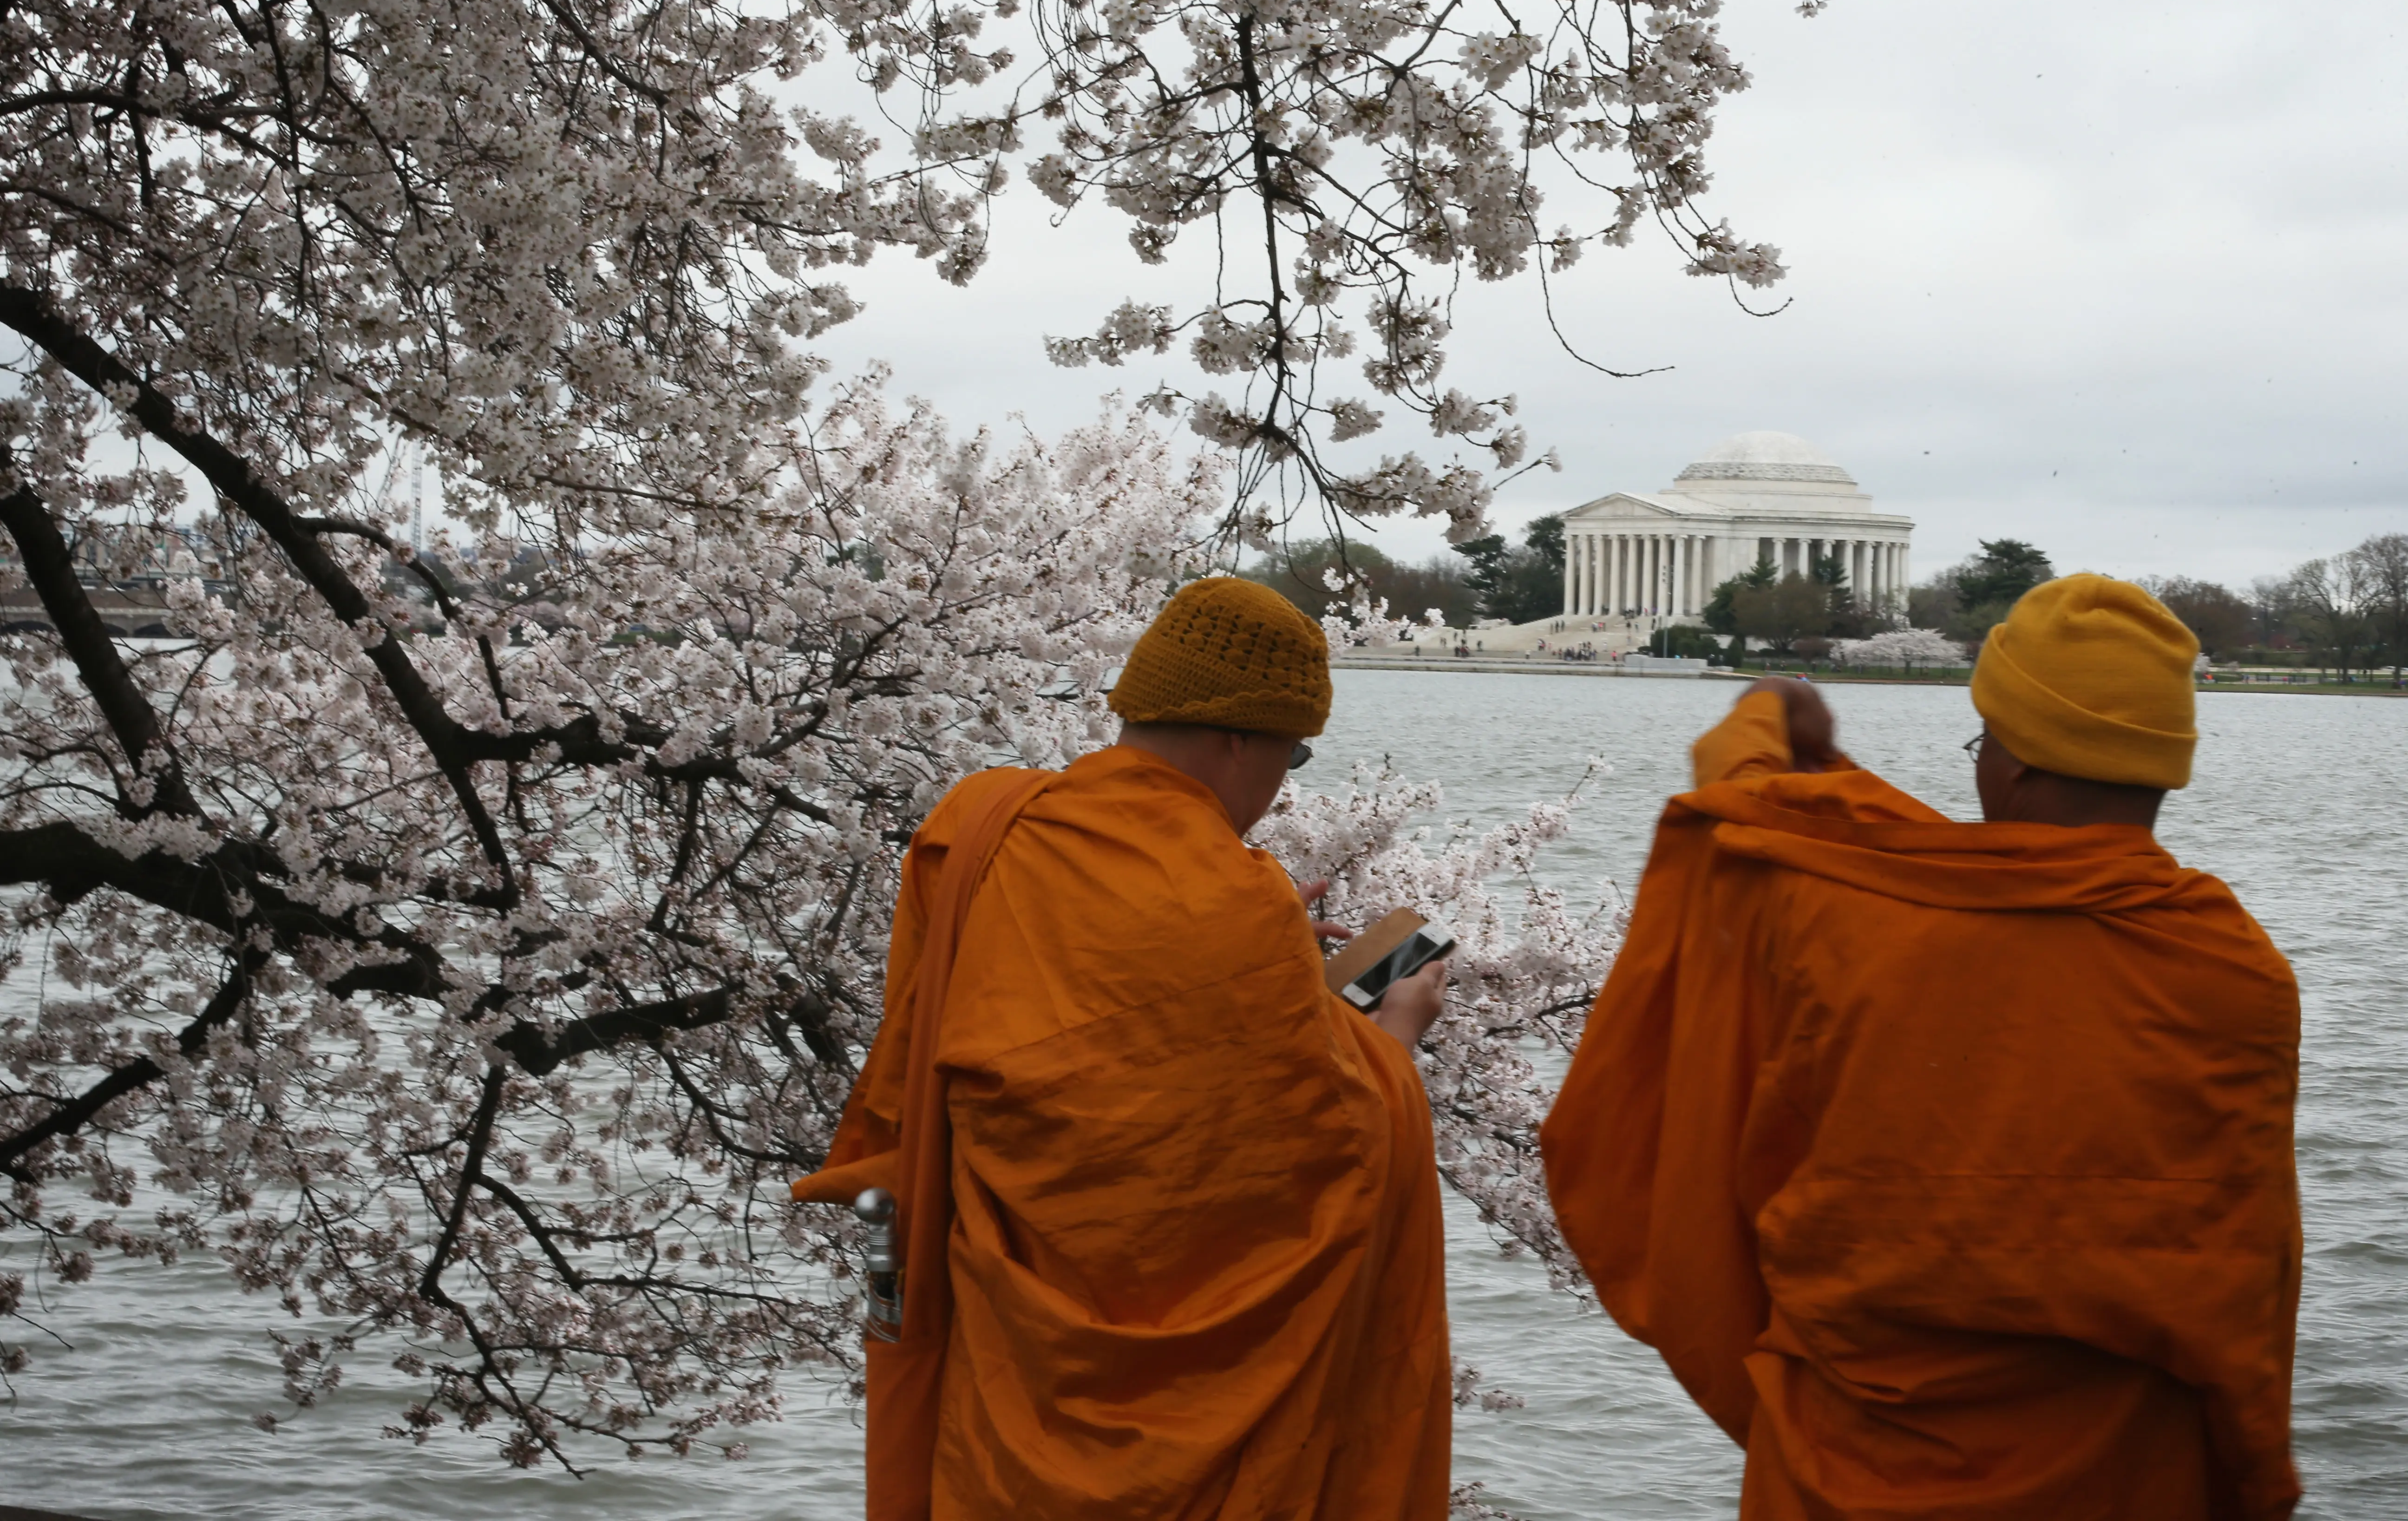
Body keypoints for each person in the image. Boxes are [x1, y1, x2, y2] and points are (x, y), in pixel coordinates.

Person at [1540, 576, 2301, 1519]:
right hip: (2129, 1472)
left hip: (1856, 1465)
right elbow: (2253, 1270)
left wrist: (1764, 708)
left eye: (1984, 741)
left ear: (2012, 763)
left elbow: (1750, 818)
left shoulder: (1853, 924)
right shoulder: (2234, 967)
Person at [795, 576, 1452, 1521]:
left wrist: (1255, 984)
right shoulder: (1239, 898)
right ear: (1239, 740)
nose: (1280, 788)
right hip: (1193, 1425)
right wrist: (1391, 1038)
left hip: (1012, 1363)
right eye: (1292, 756)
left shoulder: (982, 831)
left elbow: (969, 1049)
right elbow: (1316, 1160)